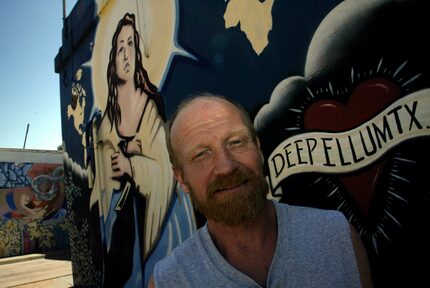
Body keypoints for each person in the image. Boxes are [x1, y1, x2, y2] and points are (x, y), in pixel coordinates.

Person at [149, 93, 373, 287]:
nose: (226, 167)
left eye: (236, 142)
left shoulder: (336, 236)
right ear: (181, 178)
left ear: (258, 148)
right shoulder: (169, 280)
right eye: (201, 154)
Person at [88, 13, 174, 287]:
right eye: (120, 47)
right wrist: (125, 149)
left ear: (139, 55)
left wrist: (132, 165)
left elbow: (165, 168)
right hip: (118, 224)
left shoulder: (150, 108)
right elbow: (99, 171)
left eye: (131, 45)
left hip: (148, 222)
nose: (125, 53)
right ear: (112, 58)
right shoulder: (108, 120)